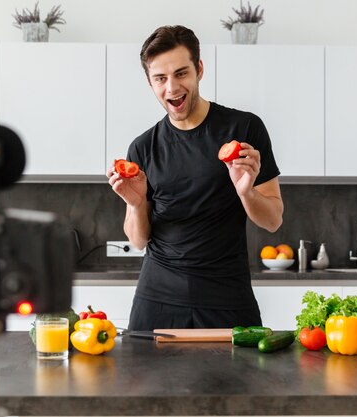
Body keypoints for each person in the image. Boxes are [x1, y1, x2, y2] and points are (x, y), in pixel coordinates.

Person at [106, 25, 284, 330]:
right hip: (157, 300)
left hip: (228, 299)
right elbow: (138, 241)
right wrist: (136, 205)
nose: (172, 88)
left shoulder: (245, 130)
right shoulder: (143, 147)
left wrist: (246, 193)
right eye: (160, 78)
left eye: (181, 73)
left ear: (199, 69)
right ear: (150, 83)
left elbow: (273, 220)